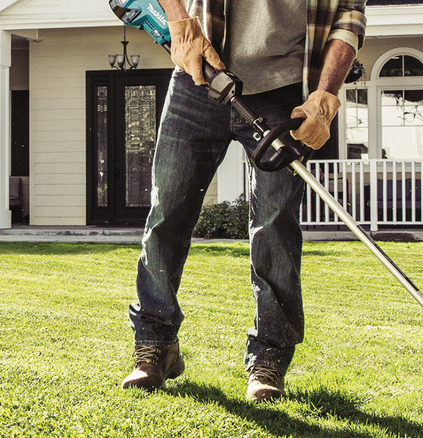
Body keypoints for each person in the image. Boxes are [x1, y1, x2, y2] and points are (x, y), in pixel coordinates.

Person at [120, 0, 366, 402]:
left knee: (275, 225)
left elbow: (348, 18)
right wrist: (181, 21)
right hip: (201, 74)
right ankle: (155, 347)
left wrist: (326, 93)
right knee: (168, 212)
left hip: (287, 89)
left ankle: (268, 360)